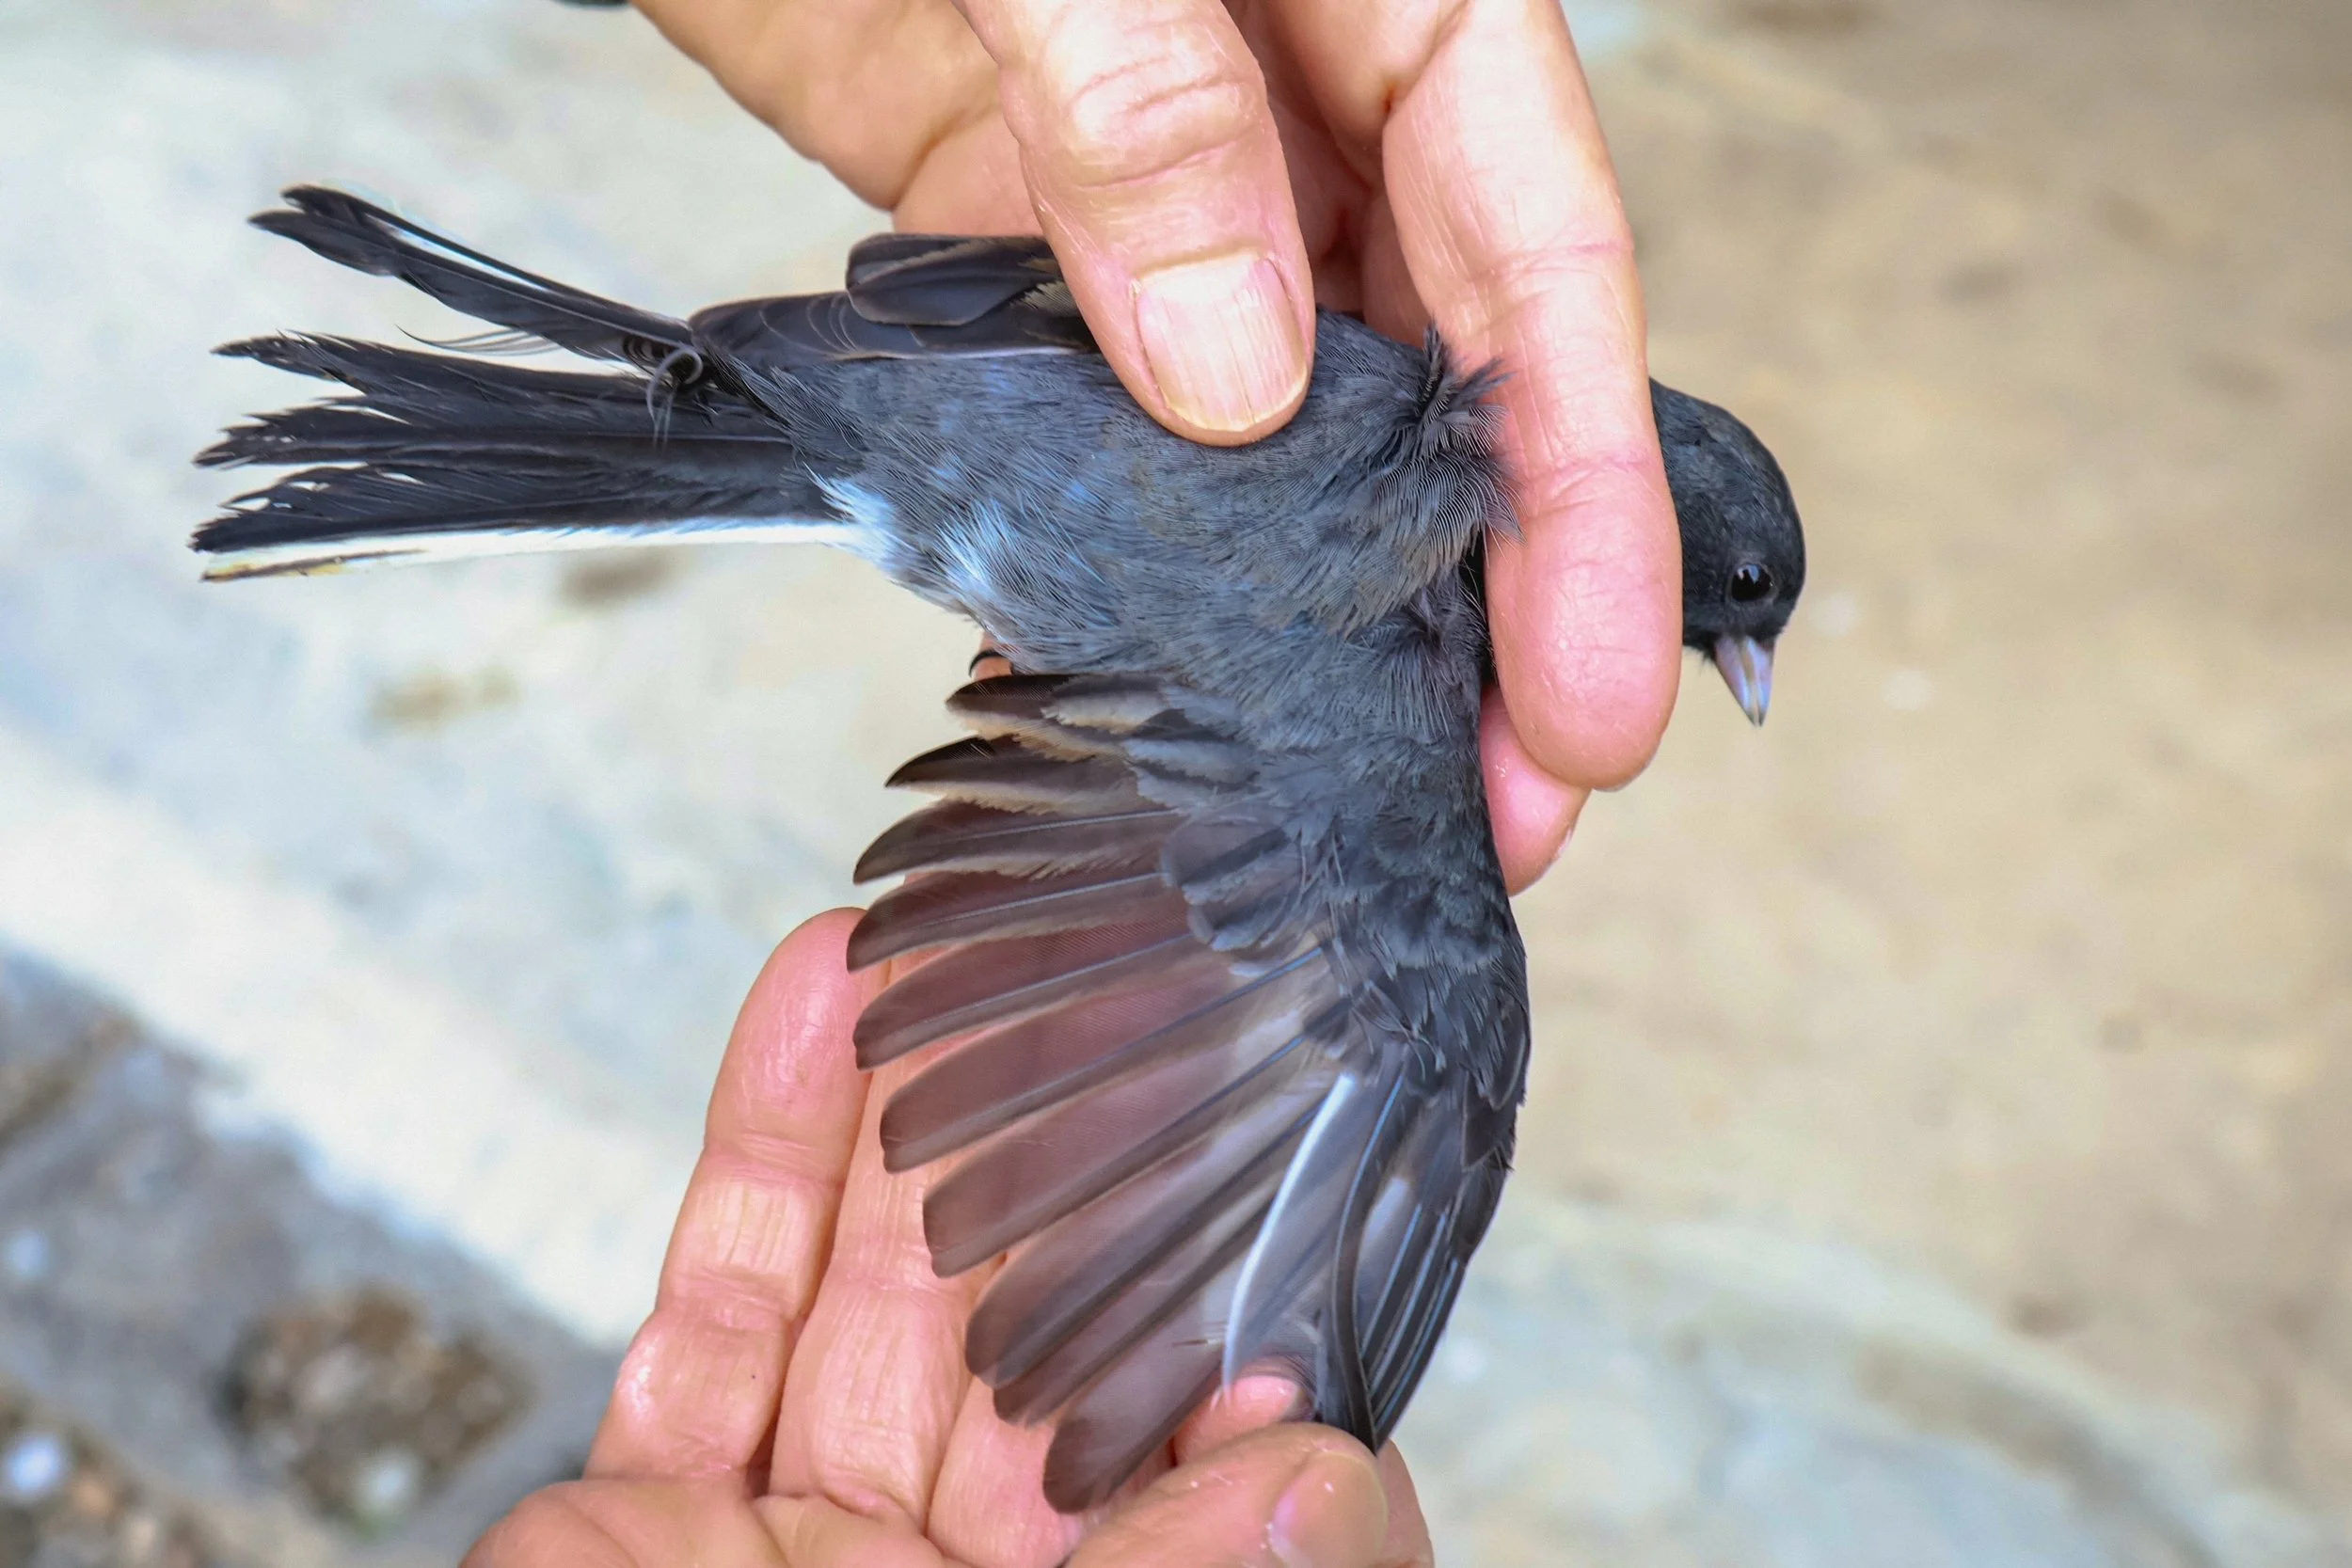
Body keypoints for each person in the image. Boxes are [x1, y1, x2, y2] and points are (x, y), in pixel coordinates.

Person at [466, 2, 1678, 1561]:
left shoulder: (1382, 383)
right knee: (1445, 988)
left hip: (982, 373)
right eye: (1741, 606)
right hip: (982, 456)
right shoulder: (1389, 717)